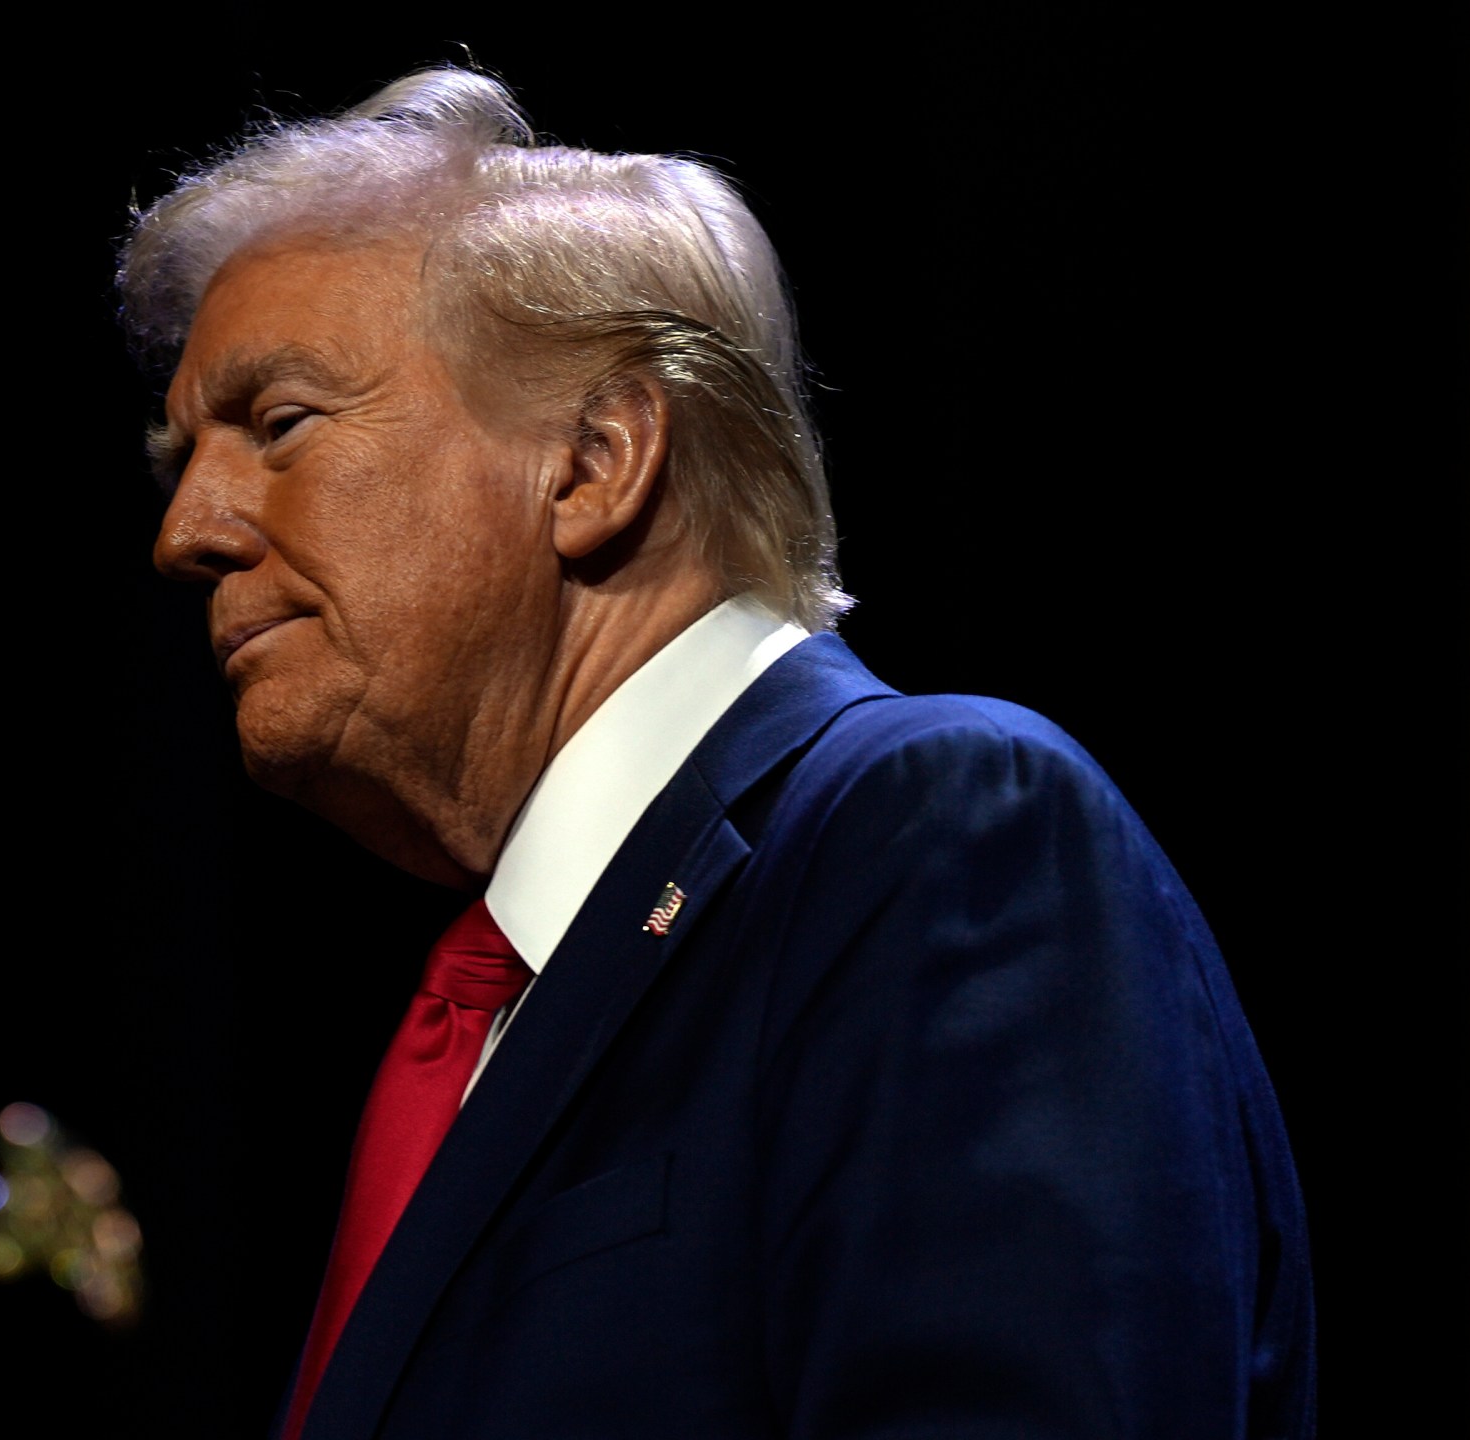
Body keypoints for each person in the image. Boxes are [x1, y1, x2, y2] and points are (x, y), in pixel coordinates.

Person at [119, 69, 1314, 1439]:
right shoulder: (501, 998)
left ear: (594, 460)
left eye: (279, 425)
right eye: (182, 459)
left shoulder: (940, 835)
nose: (188, 529)